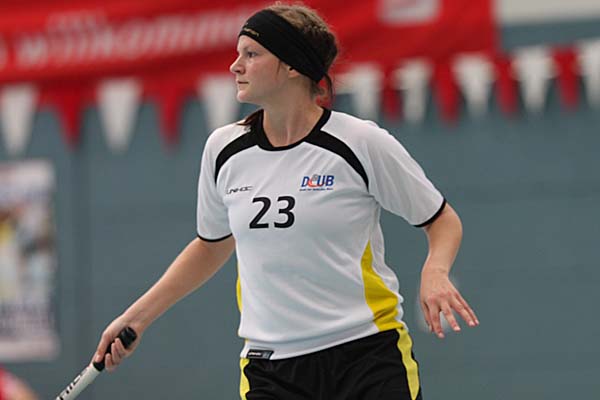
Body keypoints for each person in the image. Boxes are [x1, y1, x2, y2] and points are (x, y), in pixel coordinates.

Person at [92, 3, 479, 399]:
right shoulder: (224, 149)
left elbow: (441, 219)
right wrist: (136, 317)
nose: (235, 66)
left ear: (292, 66)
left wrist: (435, 271)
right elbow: (211, 245)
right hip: (271, 369)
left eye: (251, 54)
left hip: (365, 355)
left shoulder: (360, 142)